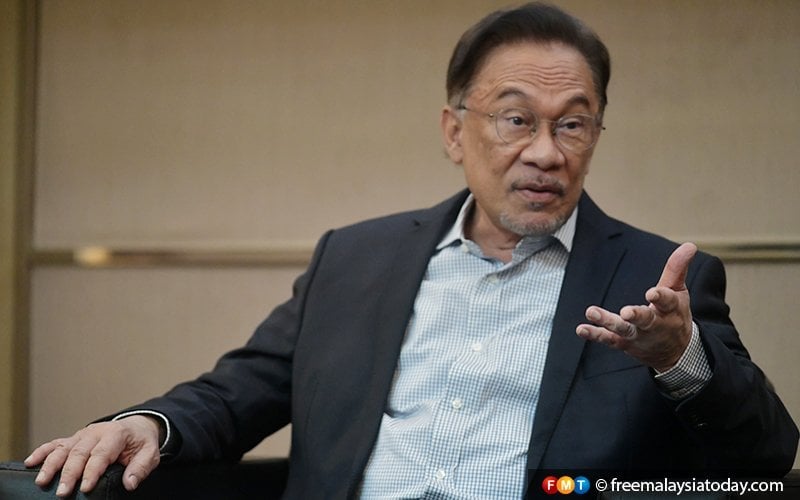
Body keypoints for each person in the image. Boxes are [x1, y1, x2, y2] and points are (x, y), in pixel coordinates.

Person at [25, 3, 798, 499]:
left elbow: (765, 458)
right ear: (455, 131)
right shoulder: (354, 260)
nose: (546, 152)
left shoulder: (658, 279)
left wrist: (681, 359)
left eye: (573, 123)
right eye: (515, 118)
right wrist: (146, 425)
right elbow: (235, 396)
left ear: (595, 135)